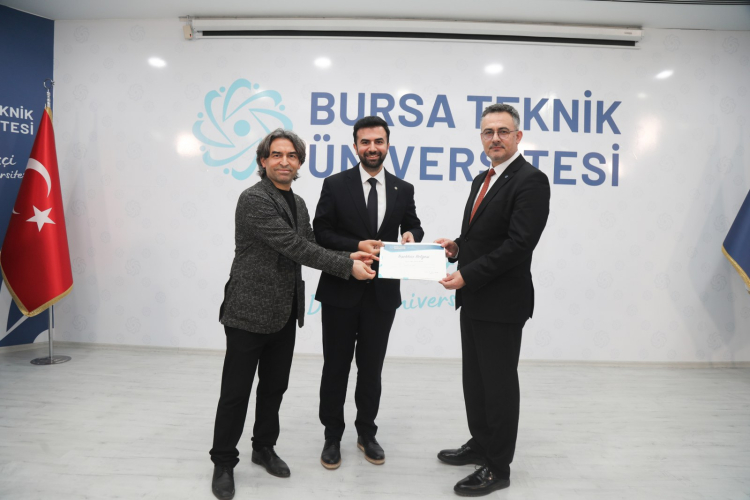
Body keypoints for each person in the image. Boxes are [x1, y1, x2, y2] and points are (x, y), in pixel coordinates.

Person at [209, 129, 377, 500]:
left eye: (292, 156)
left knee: (274, 388)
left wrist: (351, 252)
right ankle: (223, 461)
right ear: (263, 160)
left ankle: (263, 447)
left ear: (299, 162)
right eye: (277, 154)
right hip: (247, 311)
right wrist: (347, 267)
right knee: (236, 393)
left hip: (285, 312)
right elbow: (293, 247)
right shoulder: (254, 198)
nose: (284, 161)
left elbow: (310, 243)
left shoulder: (297, 202)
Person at [434, 103, 550, 496]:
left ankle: (498, 468)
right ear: (481, 138)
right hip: (474, 298)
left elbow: (519, 244)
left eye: (502, 131)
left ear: (518, 136)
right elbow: (482, 236)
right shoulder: (481, 179)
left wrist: (468, 274)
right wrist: (457, 247)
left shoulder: (531, 181)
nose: (495, 138)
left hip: (502, 303)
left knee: (498, 386)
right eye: (488, 132)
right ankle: (481, 444)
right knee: (476, 381)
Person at [313, 116, 424, 469]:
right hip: (340, 290)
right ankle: (332, 436)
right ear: (355, 146)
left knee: (371, 369)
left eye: (378, 141)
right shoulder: (335, 184)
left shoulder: (403, 188)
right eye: (365, 142)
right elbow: (320, 232)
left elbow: (413, 224)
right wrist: (355, 246)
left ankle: (366, 433)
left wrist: (412, 235)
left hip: (382, 294)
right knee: (336, 367)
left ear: (387, 145)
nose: (372, 148)